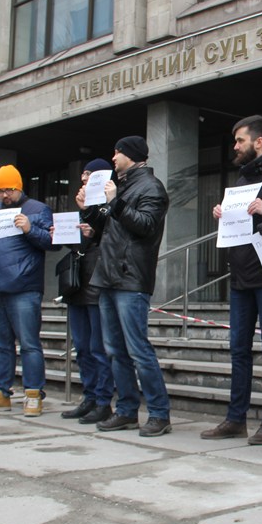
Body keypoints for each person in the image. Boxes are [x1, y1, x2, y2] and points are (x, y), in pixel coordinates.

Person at [203, 115, 262, 445]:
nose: (235, 146)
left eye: (240, 141)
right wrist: (223, 214)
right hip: (240, 276)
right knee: (238, 350)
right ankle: (235, 419)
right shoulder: (241, 178)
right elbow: (240, 222)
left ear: (258, 142)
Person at [81, 136, 173, 437]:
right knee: (114, 350)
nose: (114, 156)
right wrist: (87, 210)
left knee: (137, 349)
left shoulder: (151, 188)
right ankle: (126, 411)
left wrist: (115, 203)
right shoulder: (120, 188)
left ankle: (159, 414)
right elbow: (106, 228)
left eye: (118, 151)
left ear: (132, 156)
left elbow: (146, 225)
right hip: (107, 277)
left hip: (131, 278)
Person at [0, 165, 55, 417]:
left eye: (9, 190)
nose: (4, 195)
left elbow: (51, 242)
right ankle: (0, 392)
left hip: (24, 287)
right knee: (0, 344)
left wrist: (30, 229)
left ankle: (33, 394)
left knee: (29, 343)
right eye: (0, 191)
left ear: (19, 187)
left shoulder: (37, 210)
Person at [60, 159, 116, 425]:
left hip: (97, 282)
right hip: (76, 284)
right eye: (82, 174)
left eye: (89, 175)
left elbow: (112, 238)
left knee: (98, 348)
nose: (84, 179)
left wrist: (92, 224)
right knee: (82, 347)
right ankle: (90, 397)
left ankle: (104, 401)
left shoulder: (107, 205)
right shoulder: (82, 208)